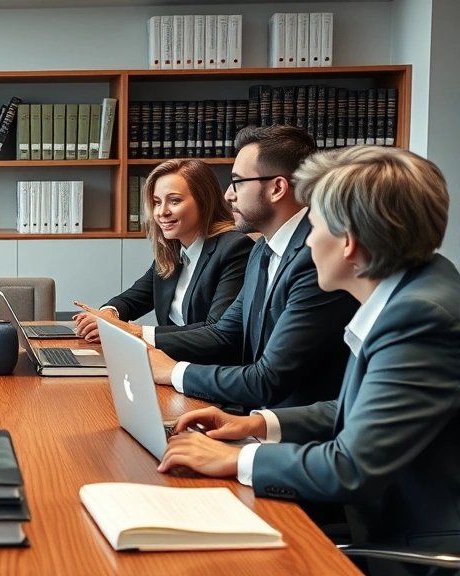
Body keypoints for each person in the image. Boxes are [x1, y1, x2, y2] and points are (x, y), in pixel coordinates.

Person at [159, 146, 460, 576]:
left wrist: (236, 459)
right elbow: (358, 409)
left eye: (314, 228)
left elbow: (351, 466)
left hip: (408, 547)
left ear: (349, 243)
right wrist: (257, 425)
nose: (306, 243)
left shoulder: (419, 318)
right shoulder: (416, 288)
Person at [145, 125, 358, 410]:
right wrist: (139, 342)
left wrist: (172, 371)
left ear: (277, 188)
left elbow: (268, 380)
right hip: (255, 416)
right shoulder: (262, 248)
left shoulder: (316, 258)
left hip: (295, 431)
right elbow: (224, 332)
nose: (228, 196)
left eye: (238, 182)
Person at [73, 159, 254, 344]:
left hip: (207, 367)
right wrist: (107, 315)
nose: (161, 212)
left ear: (204, 201)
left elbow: (216, 331)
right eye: (157, 202)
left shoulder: (234, 249)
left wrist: (133, 331)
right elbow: (133, 299)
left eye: (174, 201)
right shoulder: (174, 250)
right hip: (171, 359)